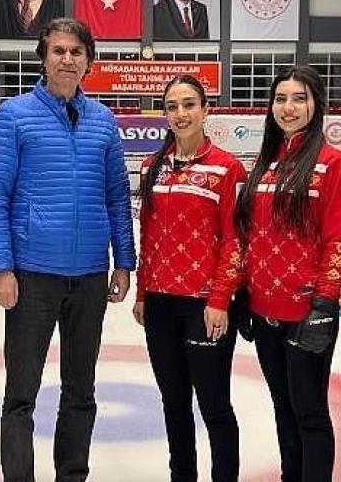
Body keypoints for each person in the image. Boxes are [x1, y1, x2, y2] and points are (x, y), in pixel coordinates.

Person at [0, 17, 136, 482]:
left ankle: (72, 475)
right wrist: (1, 267)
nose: (67, 59)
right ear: (44, 59)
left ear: (89, 61)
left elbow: (117, 196)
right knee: (21, 394)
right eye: (58, 51)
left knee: (80, 391)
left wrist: (124, 262)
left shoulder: (103, 121)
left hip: (89, 276)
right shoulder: (14, 115)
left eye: (76, 52)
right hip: (32, 275)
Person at [236, 65, 341, 482]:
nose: (288, 107)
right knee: (282, 408)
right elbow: (251, 235)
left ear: (316, 105)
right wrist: (244, 294)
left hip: (306, 312)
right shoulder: (265, 163)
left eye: (299, 98)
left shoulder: (333, 163)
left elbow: (339, 240)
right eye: (281, 99)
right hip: (263, 309)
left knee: (309, 412)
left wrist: (324, 303)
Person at [133, 75, 246, 481]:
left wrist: (219, 299)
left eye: (189, 105)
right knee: (174, 402)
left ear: (205, 110)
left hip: (204, 304)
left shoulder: (228, 168)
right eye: (172, 107)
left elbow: (235, 240)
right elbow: (148, 235)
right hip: (160, 303)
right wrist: (142, 293)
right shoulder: (152, 166)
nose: (180, 114)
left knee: (214, 404)